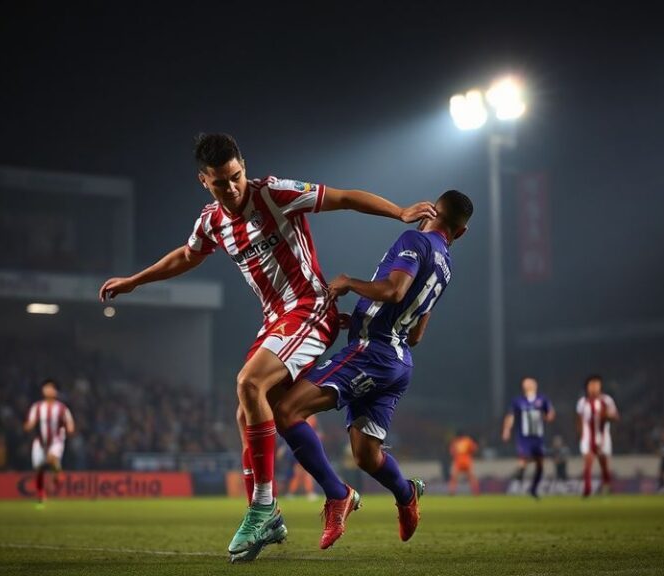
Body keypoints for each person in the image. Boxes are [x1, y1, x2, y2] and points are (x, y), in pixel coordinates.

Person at [98, 133, 435, 562]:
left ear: (243, 166)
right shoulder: (212, 222)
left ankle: (262, 508)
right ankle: (334, 493)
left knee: (248, 383)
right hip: (275, 322)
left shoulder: (274, 193)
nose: (233, 187)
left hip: (311, 307)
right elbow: (186, 255)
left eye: (236, 176)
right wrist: (134, 281)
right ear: (205, 181)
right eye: (221, 183)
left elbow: (345, 197)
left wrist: (400, 212)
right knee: (253, 408)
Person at [274, 190, 473, 548]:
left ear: (429, 208)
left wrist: (350, 283)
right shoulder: (447, 266)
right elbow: (416, 333)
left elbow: (395, 291)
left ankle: (338, 495)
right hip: (398, 361)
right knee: (366, 455)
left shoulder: (415, 239)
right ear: (460, 233)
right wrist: (362, 319)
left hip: (372, 353)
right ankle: (406, 492)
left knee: (287, 411)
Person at [23, 379, 75, 507]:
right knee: (39, 469)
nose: (48, 390)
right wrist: (28, 426)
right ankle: (41, 495)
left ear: (56, 391)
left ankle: (57, 471)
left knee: (51, 458)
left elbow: (70, 423)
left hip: (56, 440)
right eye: (46, 388)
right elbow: (30, 422)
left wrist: (70, 428)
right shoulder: (37, 407)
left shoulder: (62, 408)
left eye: (51, 388)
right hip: (40, 442)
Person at [501, 377, 555, 498]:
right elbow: (510, 416)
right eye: (526, 383)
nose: (529, 385)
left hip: (538, 436)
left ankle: (533, 488)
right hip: (523, 436)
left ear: (535, 385)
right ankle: (520, 472)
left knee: (540, 464)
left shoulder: (542, 399)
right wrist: (506, 430)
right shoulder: (518, 401)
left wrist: (549, 416)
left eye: (531, 382)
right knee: (523, 456)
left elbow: (550, 413)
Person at [576, 374, 618, 497]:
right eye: (591, 385)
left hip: (603, 437)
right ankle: (587, 489)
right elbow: (578, 420)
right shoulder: (582, 402)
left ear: (600, 386)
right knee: (588, 463)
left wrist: (608, 416)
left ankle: (607, 485)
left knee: (604, 464)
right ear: (587, 387)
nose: (594, 387)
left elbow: (615, 416)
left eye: (596, 385)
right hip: (587, 438)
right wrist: (580, 434)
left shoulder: (607, 400)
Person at [448, 431, 480, 496]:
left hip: (459, 461)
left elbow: (451, 451)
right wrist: (470, 453)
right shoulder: (467, 440)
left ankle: (452, 492)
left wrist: (455, 455)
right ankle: (476, 492)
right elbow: (474, 448)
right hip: (466, 460)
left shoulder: (456, 441)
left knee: (454, 478)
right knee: (471, 477)